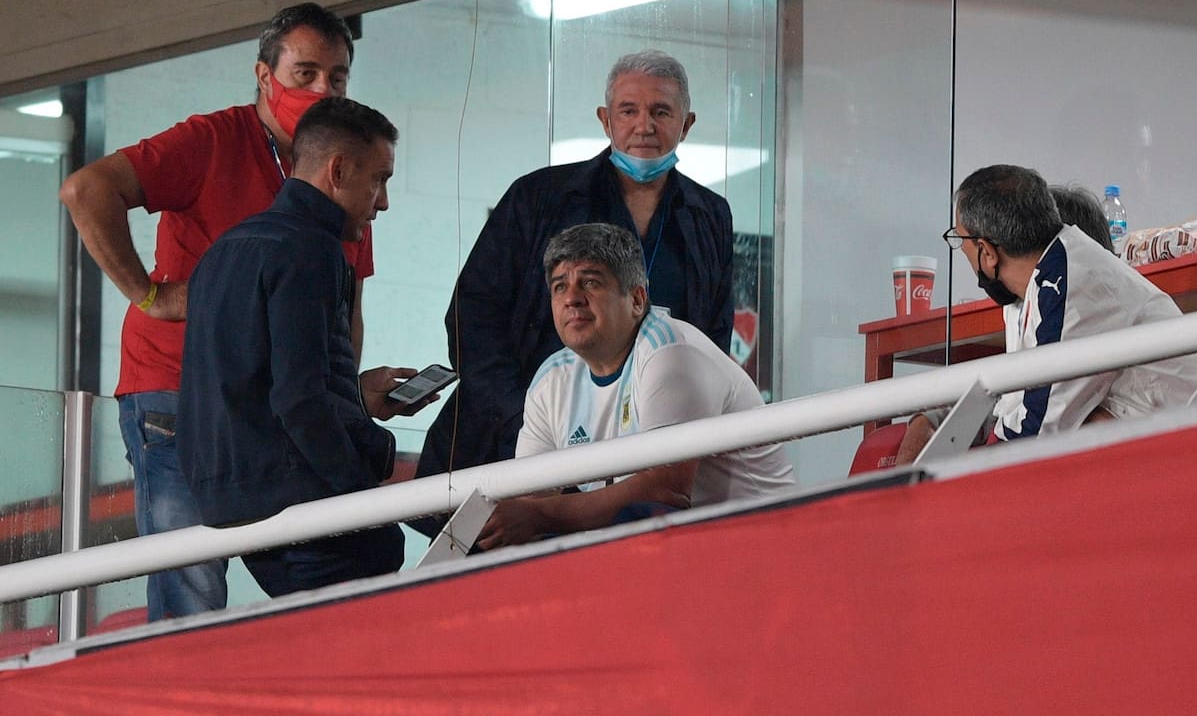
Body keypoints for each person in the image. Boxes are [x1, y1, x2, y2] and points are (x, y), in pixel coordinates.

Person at [58, 3, 387, 619]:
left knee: (325, 585)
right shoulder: (211, 140)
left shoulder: (344, 172)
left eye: (337, 78)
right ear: (264, 76)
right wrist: (151, 295)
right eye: (305, 73)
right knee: (193, 587)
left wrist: (344, 396)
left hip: (282, 410)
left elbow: (347, 309)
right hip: (178, 396)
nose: (321, 89)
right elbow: (86, 189)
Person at [414, 51, 734, 536]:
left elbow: (711, 340)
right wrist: (531, 419)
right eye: (628, 110)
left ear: (685, 124)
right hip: (516, 438)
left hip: (638, 468)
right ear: (606, 120)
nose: (643, 126)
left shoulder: (709, 215)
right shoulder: (538, 197)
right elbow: (471, 315)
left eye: (661, 112)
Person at [177, 97, 422, 596]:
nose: (383, 201)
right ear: (338, 170)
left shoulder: (220, 254)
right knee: (381, 556)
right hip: (296, 500)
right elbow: (297, 399)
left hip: (228, 506)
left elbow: (249, 382)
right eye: (380, 179)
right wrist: (359, 494)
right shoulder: (311, 250)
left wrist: (355, 396)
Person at [476, 223, 794, 550]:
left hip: (760, 546)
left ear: (637, 299)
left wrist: (539, 516)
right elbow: (527, 498)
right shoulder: (551, 380)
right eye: (559, 287)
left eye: (590, 282)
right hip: (677, 553)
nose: (572, 298)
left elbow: (664, 491)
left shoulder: (671, 353)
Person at [895, 165, 1197, 463]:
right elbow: (1011, 407)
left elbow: (1036, 437)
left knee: (1084, 434)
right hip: (1153, 442)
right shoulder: (1027, 290)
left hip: (1179, 450)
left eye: (959, 241)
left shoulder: (1071, 284)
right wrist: (929, 423)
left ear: (986, 252)